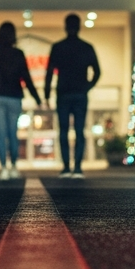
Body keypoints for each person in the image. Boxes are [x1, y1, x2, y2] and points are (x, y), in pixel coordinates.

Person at [0, 22, 43, 180]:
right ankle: (14, 166)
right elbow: (26, 78)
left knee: (0, 134)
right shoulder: (18, 54)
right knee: (13, 134)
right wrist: (38, 98)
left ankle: (3, 168)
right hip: (14, 97)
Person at [44, 13, 101, 178]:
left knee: (62, 131)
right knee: (79, 131)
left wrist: (46, 95)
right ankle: (77, 168)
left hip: (63, 94)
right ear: (79, 27)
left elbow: (49, 73)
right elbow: (97, 72)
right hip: (79, 94)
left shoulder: (58, 47)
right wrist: (87, 87)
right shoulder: (86, 47)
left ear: (65, 26)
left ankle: (66, 167)